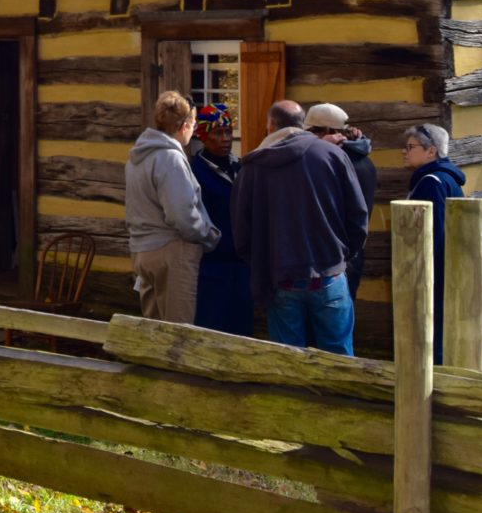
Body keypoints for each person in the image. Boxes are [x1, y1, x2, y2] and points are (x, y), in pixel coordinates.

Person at [234, 100, 369, 354]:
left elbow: (242, 232)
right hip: (329, 272)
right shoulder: (333, 156)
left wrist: (262, 265)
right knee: (339, 360)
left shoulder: (253, 167)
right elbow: (358, 217)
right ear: (302, 124)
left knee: (288, 360)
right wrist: (343, 257)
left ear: (270, 126)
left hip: (281, 277)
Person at [125, 91, 220, 324]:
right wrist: (206, 235)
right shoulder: (170, 158)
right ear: (184, 125)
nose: (193, 129)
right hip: (171, 251)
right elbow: (182, 215)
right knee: (178, 331)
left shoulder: (138, 157)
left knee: (154, 330)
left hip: (142, 251)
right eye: (193, 124)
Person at [301, 103, 380, 301]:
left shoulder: (335, 163)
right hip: (349, 253)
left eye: (312, 132)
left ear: (326, 131)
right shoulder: (363, 160)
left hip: (334, 257)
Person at [401, 123, 466, 365]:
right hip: (444, 268)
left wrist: (420, 273)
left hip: (433, 272)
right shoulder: (443, 178)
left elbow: (432, 233)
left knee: (431, 332)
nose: (405, 151)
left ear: (431, 151)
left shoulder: (432, 182)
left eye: (411, 147)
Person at [188, 103, 254, 336]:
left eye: (228, 132)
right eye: (218, 133)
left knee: (242, 328)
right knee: (212, 326)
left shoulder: (241, 168)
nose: (225, 139)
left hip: (242, 263)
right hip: (212, 264)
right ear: (203, 136)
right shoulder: (196, 172)